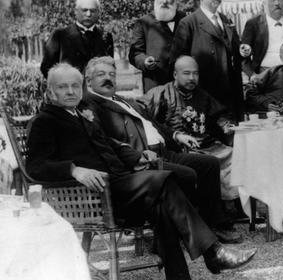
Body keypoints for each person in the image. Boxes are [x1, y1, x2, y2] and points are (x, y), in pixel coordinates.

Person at [28, 63, 256, 280]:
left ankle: (182, 275)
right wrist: (74, 170)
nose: (70, 91)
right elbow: (35, 167)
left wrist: (137, 156)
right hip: (94, 195)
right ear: (51, 91)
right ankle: (212, 252)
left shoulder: (80, 115)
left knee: (163, 208)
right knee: (165, 181)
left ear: (81, 88)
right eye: (62, 86)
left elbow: (110, 144)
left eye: (75, 86)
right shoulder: (46, 121)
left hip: (119, 185)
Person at [83, 56, 242, 244]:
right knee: (187, 174)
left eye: (112, 74)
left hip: (164, 151)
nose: (108, 78)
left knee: (208, 163)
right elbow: (105, 140)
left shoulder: (124, 100)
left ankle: (214, 224)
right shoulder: (91, 105)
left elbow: (156, 125)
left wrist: (176, 135)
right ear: (88, 80)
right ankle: (179, 233)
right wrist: (136, 156)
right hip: (143, 157)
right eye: (101, 75)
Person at [141, 56, 238, 201]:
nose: (192, 78)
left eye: (195, 73)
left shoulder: (202, 95)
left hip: (207, 144)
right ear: (175, 74)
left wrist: (226, 125)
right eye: (186, 73)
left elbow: (219, 114)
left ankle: (233, 205)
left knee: (236, 156)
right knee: (207, 162)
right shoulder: (160, 93)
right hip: (179, 148)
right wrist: (172, 134)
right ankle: (211, 208)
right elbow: (140, 111)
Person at [172, 0, 244, 121]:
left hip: (232, 92)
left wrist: (243, 49)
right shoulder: (189, 23)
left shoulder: (226, 20)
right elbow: (178, 60)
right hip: (207, 93)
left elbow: (234, 50)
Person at [129, 0, 186, 92]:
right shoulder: (143, 23)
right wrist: (145, 61)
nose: (164, 1)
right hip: (155, 86)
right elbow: (135, 54)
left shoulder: (185, 20)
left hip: (183, 84)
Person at [41, 0, 114, 76]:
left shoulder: (106, 37)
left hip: (96, 88)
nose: (88, 14)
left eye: (92, 11)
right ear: (76, 11)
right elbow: (47, 67)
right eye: (84, 10)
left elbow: (110, 68)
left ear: (98, 12)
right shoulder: (60, 35)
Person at [240, 0, 283, 79]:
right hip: (264, 74)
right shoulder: (253, 24)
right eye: (273, 0)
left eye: (280, 0)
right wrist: (252, 75)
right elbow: (243, 54)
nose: (277, 3)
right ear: (264, 4)